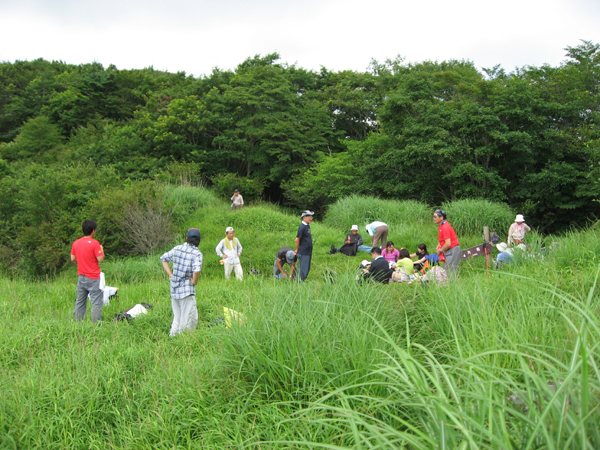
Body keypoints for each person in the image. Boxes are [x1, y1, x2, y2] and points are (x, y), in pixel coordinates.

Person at [160, 228, 203, 336]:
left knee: (177, 316)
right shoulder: (196, 253)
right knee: (189, 317)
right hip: (187, 290)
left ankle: (173, 337)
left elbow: (163, 258)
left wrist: (170, 274)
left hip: (174, 288)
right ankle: (185, 339)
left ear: (186, 238)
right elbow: (196, 270)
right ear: (199, 240)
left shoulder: (177, 248)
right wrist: (194, 281)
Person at [71, 219, 105, 323]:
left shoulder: (76, 243)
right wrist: (102, 250)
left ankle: (77, 322)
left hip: (81, 276)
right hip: (94, 277)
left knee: (80, 301)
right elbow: (100, 259)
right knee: (96, 302)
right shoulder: (95, 243)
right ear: (93, 231)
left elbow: (72, 258)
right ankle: (96, 324)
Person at [433, 209, 461, 277]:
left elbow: (448, 243)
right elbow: (444, 239)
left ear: (441, 217)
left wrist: (440, 250)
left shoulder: (445, 227)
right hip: (449, 250)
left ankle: (450, 286)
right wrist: (439, 245)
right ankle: (447, 285)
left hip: (452, 250)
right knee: (447, 270)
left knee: (449, 272)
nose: (433, 218)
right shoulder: (441, 225)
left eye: (435, 217)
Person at [295, 210, 314, 281]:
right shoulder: (302, 227)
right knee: (303, 269)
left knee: (307, 269)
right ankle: (299, 284)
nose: (311, 218)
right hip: (304, 252)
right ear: (304, 218)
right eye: (309, 217)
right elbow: (297, 240)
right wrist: (297, 249)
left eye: (311, 217)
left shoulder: (307, 226)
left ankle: (300, 282)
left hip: (308, 251)